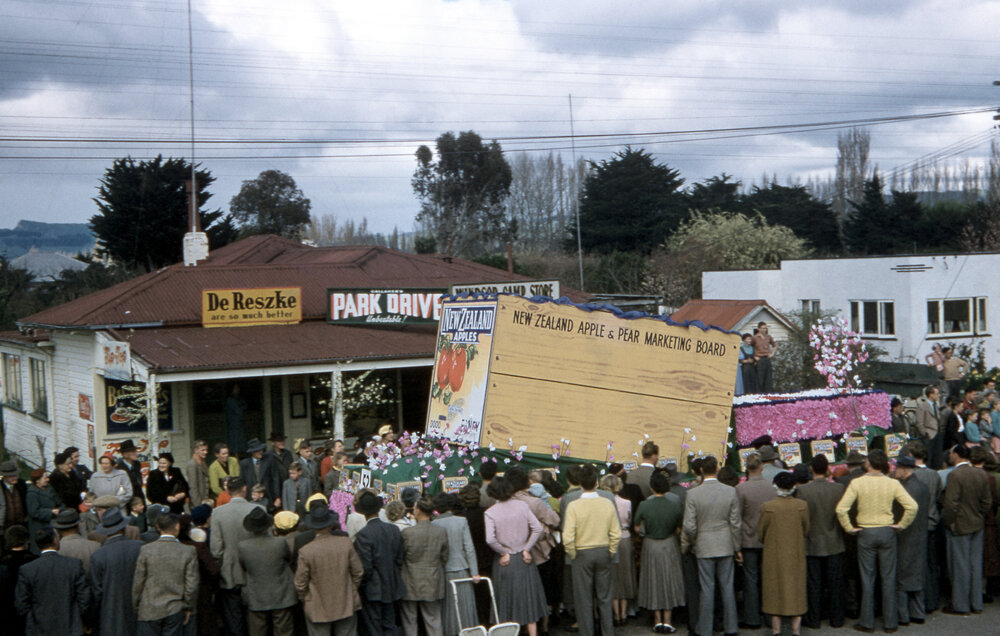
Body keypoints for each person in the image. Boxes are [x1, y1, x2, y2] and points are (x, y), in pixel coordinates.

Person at [835, 449, 917, 633]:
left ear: (868, 464)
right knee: (889, 578)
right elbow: (912, 506)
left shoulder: (857, 483)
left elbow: (841, 509)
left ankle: (867, 622)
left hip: (866, 532)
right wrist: (901, 525)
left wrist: (849, 528)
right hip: (887, 531)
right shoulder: (892, 483)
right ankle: (890, 622)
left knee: (867, 578)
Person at [681, 455, 740, 636]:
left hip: (703, 544)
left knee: (707, 588)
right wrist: (737, 548)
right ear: (716, 469)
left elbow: (689, 526)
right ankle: (731, 627)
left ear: (700, 471)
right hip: (725, 543)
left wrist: (691, 542)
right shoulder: (730, 492)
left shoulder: (693, 494)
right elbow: (735, 524)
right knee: (727, 587)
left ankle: (705, 629)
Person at [484, 476, 547, 636]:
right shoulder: (522, 506)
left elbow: (490, 539)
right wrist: (527, 548)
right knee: (529, 601)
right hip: (524, 558)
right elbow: (538, 528)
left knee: (505, 602)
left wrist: (503, 551)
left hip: (505, 561)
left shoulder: (490, 512)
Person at [564, 463, 620, 636]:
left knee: (584, 600)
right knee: (605, 597)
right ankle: (607, 632)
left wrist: (573, 554)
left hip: (581, 553)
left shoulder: (573, 505)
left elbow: (567, 537)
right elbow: (616, 533)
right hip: (603, 551)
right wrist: (610, 551)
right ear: (596, 482)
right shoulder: (607, 503)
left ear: (580, 483)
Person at [794, 453, 845, 629]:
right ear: (828, 469)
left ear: (811, 469)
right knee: (835, 584)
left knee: (814, 584)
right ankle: (837, 619)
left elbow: (800, 518)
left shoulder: (803, 491)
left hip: (812, 542)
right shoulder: (838, 489)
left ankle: (814, 619)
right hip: (834, 541)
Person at [295, 506, 364, 636]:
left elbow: (300, 583)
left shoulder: (306, 551)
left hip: (317, 604)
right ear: (330, 524)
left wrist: (306, 597)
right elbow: (358, 572)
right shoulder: (345, 543)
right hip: (345, 601)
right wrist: (351, 588)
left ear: (313, 526)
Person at [940, 443, 992, 615]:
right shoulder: (980, 474)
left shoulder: (955, 475)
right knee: (975, 565)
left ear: (956, 455)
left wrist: (951, 522)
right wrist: (978, 514)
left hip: (960, 524)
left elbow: (950, 504)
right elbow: (986, 502)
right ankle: (976, 603)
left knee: (960, 566)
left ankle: (961, 605)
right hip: (977, 523)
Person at [211, 476, 264, 635]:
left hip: (230, 572)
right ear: (244, 489)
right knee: (256, 620)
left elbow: (216, 549)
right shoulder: (258, 510)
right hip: (255, 572)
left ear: (227, 490)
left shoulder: (217, 513)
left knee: (234, 620)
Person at [758, 470, 809, 636]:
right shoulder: (802, 505)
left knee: (774, 591)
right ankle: (796, 631)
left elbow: (761, 533)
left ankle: (776, 630)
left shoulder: (768, 507)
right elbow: (806, 529)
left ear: (776, 486)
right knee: (797, 590)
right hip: (796, 553)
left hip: (774, 554)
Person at [634, 470, 684, 634]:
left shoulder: (644, 505)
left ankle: (657, 620)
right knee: (668, 580)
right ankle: (668, 620)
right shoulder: (674, 505)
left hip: (650, 544)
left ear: (651, 487)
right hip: (669, 544)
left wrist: (644, 532)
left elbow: (637, 527)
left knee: (653, 580)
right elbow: (679, 528)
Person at [15, 527, 90, 636]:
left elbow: (21, 605)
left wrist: (33, 624)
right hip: (71, 628)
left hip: (39, 629)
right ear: (55, 540)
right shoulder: (73, 565)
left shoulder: (28, 570)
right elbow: (85, 599)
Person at [132, 512, 199, 634]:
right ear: (177, 526)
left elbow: (139, 581)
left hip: (149, 607)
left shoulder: (146, 550)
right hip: (174, 608)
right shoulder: (188, 551)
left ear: (157, 527)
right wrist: (188, 607)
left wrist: (136, 605)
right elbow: (191, 584)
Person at [354, 490, 406, 636]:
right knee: (390, 624)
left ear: (363, 513)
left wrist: (364, 585)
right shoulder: (393, 529)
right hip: (392, 583)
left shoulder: (364, 534)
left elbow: (366, 566)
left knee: (374, 626)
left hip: (373, 588)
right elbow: (399, 559)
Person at [238, 506, 297, 636]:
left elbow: (243, 566)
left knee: (257, 630)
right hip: (281, 592)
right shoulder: (279, 543)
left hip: (256, 595)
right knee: (284, 631)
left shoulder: (243, 546)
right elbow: (288, 558)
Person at [735, 452, 775, 630]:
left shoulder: (741, 489)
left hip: (749, 539)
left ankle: (752, 618)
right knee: (768, 578)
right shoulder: (771, 487)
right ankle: (769, 615)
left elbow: (737, 518)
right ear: (762, 467)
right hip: (768, 538)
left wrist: (737, 546)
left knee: (750, 579)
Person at [89, 506, 144, 635]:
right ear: (124, 528)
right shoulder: (141, 547)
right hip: (140, 615)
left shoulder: (98, 556)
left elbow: (96, 592)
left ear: (106, 531)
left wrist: (91, 621)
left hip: (111, 618)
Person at [431, 492, 479, 636]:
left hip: (444, 571)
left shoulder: (434, 524)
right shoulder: (461, 521)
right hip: (462, 568)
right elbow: (469, 548)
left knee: (448, 609)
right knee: (465, 609)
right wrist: (475, 572)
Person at [400, 497, 449, 636]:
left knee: (409, 619)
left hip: (410, 579)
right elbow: (444, 556)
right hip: (432, 578)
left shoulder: (407, 533)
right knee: (433, 618)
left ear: (419, 511)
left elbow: (401, 556)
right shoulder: (440, 532)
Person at [892, 455, 931, 626]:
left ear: (903, 470)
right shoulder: (922, 486)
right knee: (917, 574)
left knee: (902, 575)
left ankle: (903, 615)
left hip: (905, 534)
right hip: (920, 534)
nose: (894, 471)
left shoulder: (904, 489)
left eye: (897, 468)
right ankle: (918, 612)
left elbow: (899, 512)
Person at [600, 474, 635, 627]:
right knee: (625, 574)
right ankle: (623, 613)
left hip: (608, 539)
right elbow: (629, 520)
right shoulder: (627, 503)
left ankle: (616, 615)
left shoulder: (602, 503)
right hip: (624, 537)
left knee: (612, 577)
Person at [25, 468, 60, 554]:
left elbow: (59, 502)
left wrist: (61, 509)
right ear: (37, 481)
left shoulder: (50, 489)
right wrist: (50, 512)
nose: (47, 479)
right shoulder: (32, 493)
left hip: (52, 525)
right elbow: (33, 512)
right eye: (45, 478)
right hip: (38, 527)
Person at [241, 437, 283, 507]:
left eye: (261, 449)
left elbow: (275, 478)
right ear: (252, 452)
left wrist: (277, 497)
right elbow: (242, 482)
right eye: (258, 450)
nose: (261, 452)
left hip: (268, 497)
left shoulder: (269, 460)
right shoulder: (244, 464)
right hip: (251, 499)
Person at [915, 385, 944, 468]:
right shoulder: (922, 406)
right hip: (929, 434)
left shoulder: (936, 405)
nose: (938, 395)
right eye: (937, 393)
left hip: (938, 434)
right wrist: (925, 433)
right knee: (929, 457)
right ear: (931, 394)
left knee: (938, 458)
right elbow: (919, 422)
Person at [1, 460, 28, 534]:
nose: (15, 477)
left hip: (22, 525)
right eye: (11, 476)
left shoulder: (21, 484)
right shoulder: (1, 488)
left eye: (16, 475)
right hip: (5, 528)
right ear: (4, 476)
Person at [117, 440, 146, 505]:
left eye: (135, 451)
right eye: (133, 451)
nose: (136, 453)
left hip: (139, 500)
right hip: (128, 502)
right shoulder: (119, 469)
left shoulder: (137, 465)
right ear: (125, 454)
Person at [184, 440, 210, 508]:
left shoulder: (203, 462)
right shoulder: (192, 464)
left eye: (206, 450)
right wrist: (198, 505)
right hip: (198, 503)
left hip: (206, 500)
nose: (206, 452)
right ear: (196, 450)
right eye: (203, 450)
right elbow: (193, 487)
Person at [752, 321, 777, 392]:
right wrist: (754, 356)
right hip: (759, 359)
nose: (764, 330)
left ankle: (768, 393)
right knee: (760, 378)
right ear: (759, 329)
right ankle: (760, 394)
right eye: (763, 328)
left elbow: (774, 346)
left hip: (767, 358)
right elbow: (751, 348)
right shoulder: (755, 338)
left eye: (765, 328)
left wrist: (772, 354)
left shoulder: (768, 337)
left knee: (768, 378)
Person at [226, 383, 248, 456]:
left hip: (240, 424)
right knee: (235, 444)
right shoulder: (230, 400)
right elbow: (238, 410)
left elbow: (245, 406)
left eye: (238, 388)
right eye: (235, 388)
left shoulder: (239, 399)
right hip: (233, 425)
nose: (237, 390)